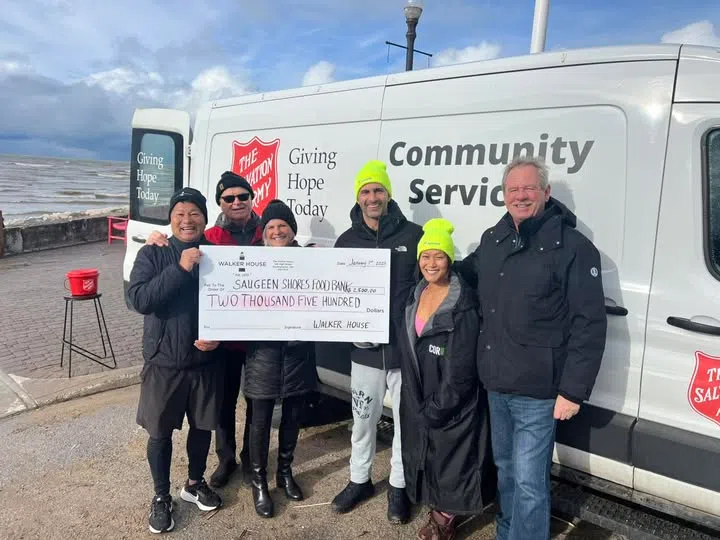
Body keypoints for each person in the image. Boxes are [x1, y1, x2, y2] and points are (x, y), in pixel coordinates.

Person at [457, 156, 607, 540]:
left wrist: (573, 390)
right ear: (504, 195)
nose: (520, 196)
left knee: (528, 482)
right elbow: (466, 273)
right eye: (513, 189)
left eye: (528, 188)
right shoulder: (495, 238)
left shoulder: (573, 247)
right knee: (507, 470)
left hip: (538, 389)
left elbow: (589, 323)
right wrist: (430, 263)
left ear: (546, 192)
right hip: (496, 382)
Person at [145, 171, 262, 489]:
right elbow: (142, 295)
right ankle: (226, 460)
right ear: (221, 204)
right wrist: (160, 242)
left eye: (242, 196)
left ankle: (251, 461)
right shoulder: (211, 240)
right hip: (219, 345)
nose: (236, 202)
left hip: (254, 337)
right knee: (221, 406)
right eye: (229, 198)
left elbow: (288, 253)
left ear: (252, 198)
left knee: (256, 401)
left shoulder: (268, 231)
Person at [331, 160, 423, 524]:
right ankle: (359, 479)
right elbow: (334, 293)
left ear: (388, 194)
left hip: (405, 351)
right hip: (364, 353)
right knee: (363, 419)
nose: (373, 197)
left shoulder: (413, 236)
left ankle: (398, 488)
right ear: (358, 197)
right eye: (366, 191)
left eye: (378, 190)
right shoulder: (346, 241)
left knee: (403, 421)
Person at [128, 187, 224, 534]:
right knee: (160, 433)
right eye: (180, 213)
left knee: (202, 428)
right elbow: (139, 299)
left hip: (205, 361)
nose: (187, 220)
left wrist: (220, 336)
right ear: (170, 219)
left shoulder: (217, 254)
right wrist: (180, 269)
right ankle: (160, 496)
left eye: (194, 213)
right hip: (163, 362)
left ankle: (195, 483)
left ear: (205, 218)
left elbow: (232, 302)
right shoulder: (153, 252)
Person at [399, 218, 495, 540]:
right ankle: (437, 509)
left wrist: (439, 406)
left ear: (450, 260)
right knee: (432, 455)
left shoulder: (462, 305)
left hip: (448, 401)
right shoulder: (416, 295)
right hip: (422, 394)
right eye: (425, 256)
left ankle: (445, 521)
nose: (431, 263)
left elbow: (461, 371)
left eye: (439, 256)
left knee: (452, 459)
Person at [243, 199, 317, 518]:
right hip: (263, 354)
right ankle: (259, 483)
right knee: (260, 420)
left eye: (282, 227)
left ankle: (285, 473)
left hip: (299, 352)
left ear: (292, 231)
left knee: (292, 417)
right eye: (271, 227)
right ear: (264, 234)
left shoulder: (310, 260)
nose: (276, 231)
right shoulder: (250, 262)